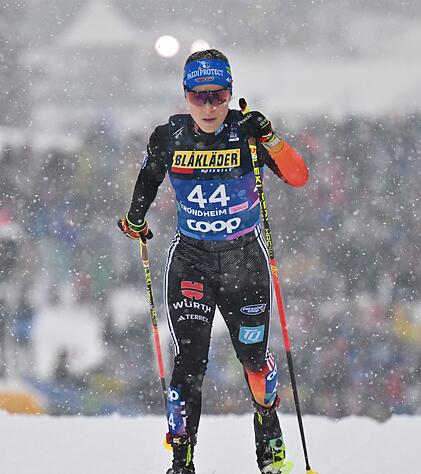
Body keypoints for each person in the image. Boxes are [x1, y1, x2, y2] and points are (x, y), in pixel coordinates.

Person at [117, 49, 308, 474]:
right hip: (192, 262)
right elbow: (149, 177)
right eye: (199, 96)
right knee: (189, 364)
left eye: (218, 96)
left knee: (254, 362)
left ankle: (267, 423)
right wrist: (134, 218)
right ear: (185, 95)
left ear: (230, 93)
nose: (208, 106)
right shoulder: (169, 137)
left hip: (244, 260)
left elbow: (298, 176)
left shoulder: (248, 133)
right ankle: (182, 462)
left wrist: (272, 138)